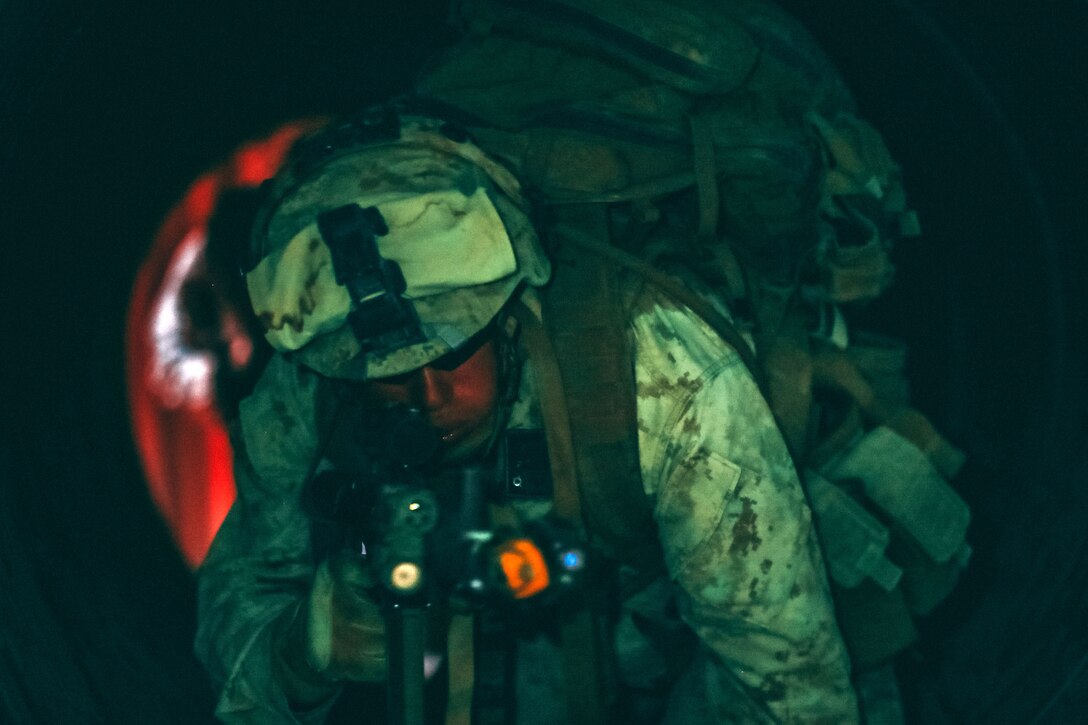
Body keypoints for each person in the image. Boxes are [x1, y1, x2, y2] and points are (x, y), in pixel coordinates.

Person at [194, 108, 859, 724]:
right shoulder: (314, 378)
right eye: (388, 377)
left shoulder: (661, 375)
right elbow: (236, 603)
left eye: (453, 352)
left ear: (508, 316)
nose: (427, 396)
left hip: (692, 651)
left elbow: (792, 685)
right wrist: (298, 654)